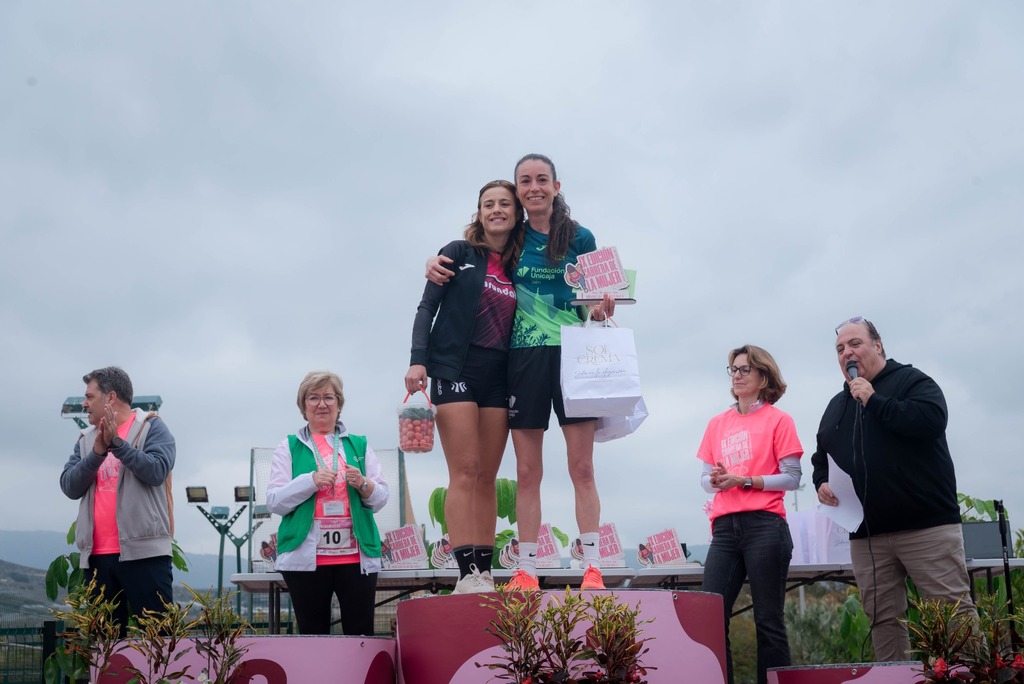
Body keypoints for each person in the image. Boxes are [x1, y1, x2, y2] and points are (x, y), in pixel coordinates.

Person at [427, 154, 616, 591]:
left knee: (582, 468)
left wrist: (601, 307)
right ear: (517, 191)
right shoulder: (514, 237)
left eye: (542, 179)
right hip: (523, 357)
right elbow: (477, 255)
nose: (534, 188)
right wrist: (435, 263)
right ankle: (526, 569)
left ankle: (592, 567)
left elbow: (595, 298)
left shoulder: (581, 237)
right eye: (525, 181)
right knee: (528, 472)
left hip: (574, 358)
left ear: (556, 186)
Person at [813, 317, 977, 661]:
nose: (847, 353)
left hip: (926, 527)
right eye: (840, 349)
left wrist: (874, 400)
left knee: (953, 614)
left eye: (855, 344)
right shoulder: (837, 405)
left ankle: (973, 675)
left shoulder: (912, 382)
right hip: (867, 536)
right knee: (883, 620)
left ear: (878, 345)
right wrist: (821, 482)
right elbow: (822, 454)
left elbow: (931, 420)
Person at [405, 180, 525, 594]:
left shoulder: (520, 264)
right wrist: (418, 359)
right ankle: (465, 573)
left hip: (500, 376)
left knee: (488, 476)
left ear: (516, 212)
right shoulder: (458, 253)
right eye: (488, 204)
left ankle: (485, 573)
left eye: (504, 204)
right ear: (479, 212)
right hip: (455, 369)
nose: (496, 210)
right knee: (465, 471)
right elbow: (427, 307)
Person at [696, 345, 802, 684]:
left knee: (768, 620)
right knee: (710, 617)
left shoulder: (779, 420)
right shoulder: (717, 423)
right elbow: (704, 481)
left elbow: (793, 477)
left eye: (745, 369)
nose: (737, 376)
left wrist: (745, 480)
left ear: (763, 377)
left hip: (765, 525)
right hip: (724, 530)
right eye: (734, 369)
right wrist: (716, 480)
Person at [266, 371, 389, 635]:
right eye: (314, 398)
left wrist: (363, 484)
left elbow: (380, 500)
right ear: (303, 406)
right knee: (313, 636)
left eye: (329, 397)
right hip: (306, 558)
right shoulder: (288, 446)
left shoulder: (359, 445)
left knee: (361, 635)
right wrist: (310, 481)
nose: (322, 404)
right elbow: (275, 502)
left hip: (356, 556)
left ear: (339, 403)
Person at [59, 366, 176, 635]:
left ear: (110, 397)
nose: (84, 404)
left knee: (158, 642)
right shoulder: (86, 439)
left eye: (90, 397)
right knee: (103, 647)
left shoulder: (152, 427)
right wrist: (97, 453)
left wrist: (118, 445)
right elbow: (69, 486)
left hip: (145, 555)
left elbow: (157, 471)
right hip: (96, 558)